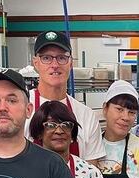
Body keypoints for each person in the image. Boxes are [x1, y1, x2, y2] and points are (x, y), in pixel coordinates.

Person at [24, 30, 104, 165]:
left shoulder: (86, 115)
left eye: (62, 58)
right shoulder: (21, 109)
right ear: (36, 63)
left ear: (71, 63)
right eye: (46, 58)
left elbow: (91, 173)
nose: (54, 65)